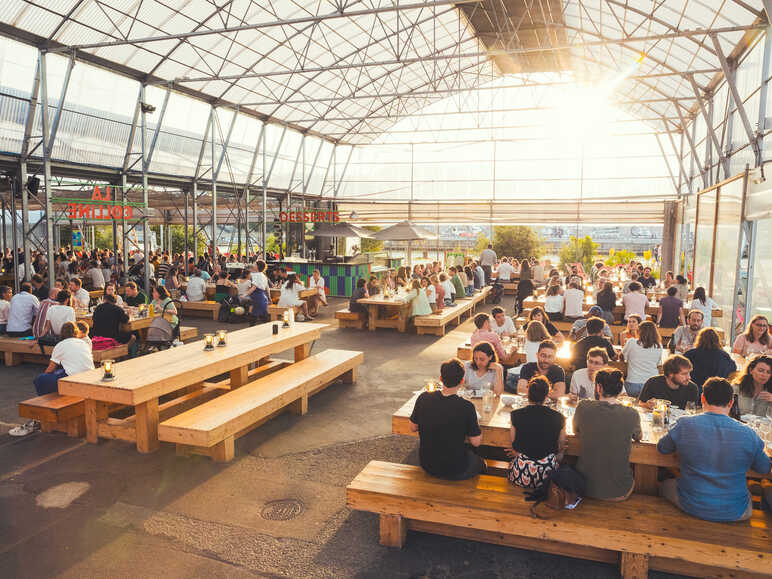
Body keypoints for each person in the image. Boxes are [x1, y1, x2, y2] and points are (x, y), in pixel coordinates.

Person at [657, 378, 771, 522]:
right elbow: (764, 468)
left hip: (690, 504)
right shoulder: (749, 433)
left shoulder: (685, 424)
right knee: (748, 493)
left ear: (702, 398)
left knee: (663, 485)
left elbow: (662, 448)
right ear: (731, 402)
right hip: (736, 511)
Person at [409, 358, 484, 480]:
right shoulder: (467, 407)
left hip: (427, 464)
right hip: (454, 468)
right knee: (481, 463)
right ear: (462, 381)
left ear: (441, 378)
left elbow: (413, 427)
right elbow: (476, 442)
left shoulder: (424, 397)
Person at [573, 368, 642, 501]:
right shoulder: (631, 413)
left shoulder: (583, 407)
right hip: (619, 491)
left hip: (584, 487)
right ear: (620, 389)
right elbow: (639, 437)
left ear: (598, 388)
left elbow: (576, 430)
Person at [507, 376, 566, 488]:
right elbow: (561, 446)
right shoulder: (559, 417)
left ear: (528, 393)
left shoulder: (515, 415)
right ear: (547, 394)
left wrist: (519, 454)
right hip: (547, 476)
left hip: (521, 474)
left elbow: (514, 444)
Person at [31, 322, 94, 396]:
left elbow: (50, 369)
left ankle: (47, 399)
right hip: (89, 375)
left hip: (74, 378)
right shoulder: (84, 343)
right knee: (60, 372)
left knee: (40, 380)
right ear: (76, 332)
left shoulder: (60, 345)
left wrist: (45, 377)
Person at [681, 328, 733, 393]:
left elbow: (679, 365)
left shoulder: (691, 354)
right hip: (718, 391)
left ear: (699, 339)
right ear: (717, 340)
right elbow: (733, 367)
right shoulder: (724, 355)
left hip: (693, 390)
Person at [621, 320, 663, 397]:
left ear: (639, 331)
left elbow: (622, 356)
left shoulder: (631, 342)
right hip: (652, 384)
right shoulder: (659, 346)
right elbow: (658, 364)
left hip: (633, 383)